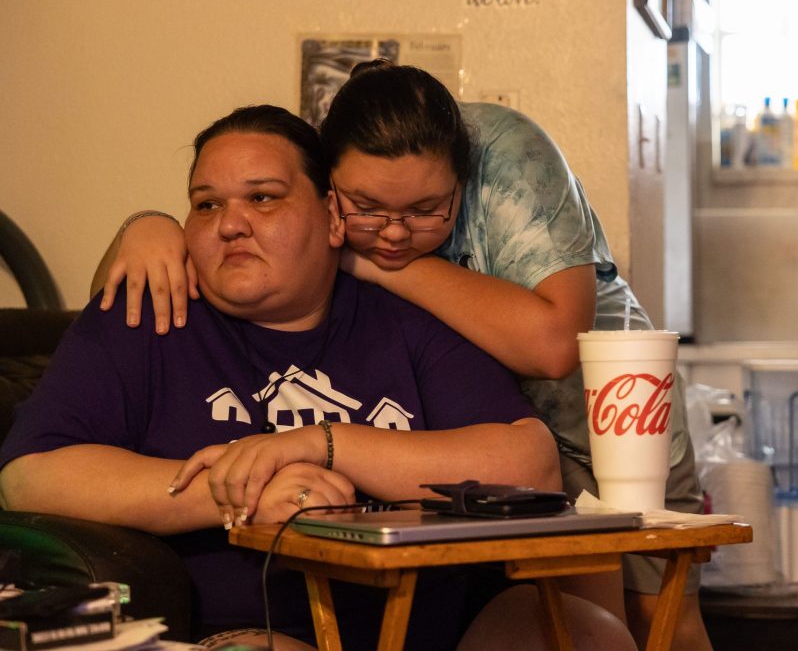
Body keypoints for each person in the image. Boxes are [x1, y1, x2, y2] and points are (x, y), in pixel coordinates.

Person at [92, 64, 712, 649]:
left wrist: (367, 261)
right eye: (367, 210)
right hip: (490, 448)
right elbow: (122, 299)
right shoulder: (256, 245)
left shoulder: (504, 158)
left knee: (647, 623)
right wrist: (147, 225)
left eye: (424, 211)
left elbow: (553, 350)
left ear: (461, 184)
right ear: (328, 190)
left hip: (610, 413)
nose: (393, 231)